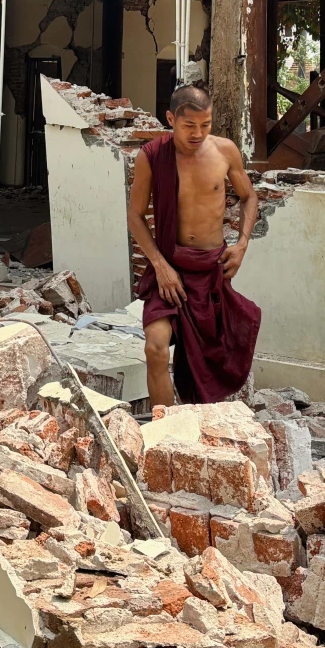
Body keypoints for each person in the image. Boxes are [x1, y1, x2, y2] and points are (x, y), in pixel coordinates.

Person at [127, 84, 262, 407]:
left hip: (210, 270)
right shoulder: (152, 156)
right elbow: (135, 216)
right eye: (189, 125)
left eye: (206, 124)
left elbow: (249, 197)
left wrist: (242, 244)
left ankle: (198, 422)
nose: (198, 133)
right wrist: (160, 266)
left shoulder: (225, 151)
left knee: (208, 360)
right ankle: (165, 427)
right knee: (155, 348)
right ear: (171, 119)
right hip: (169, 270)